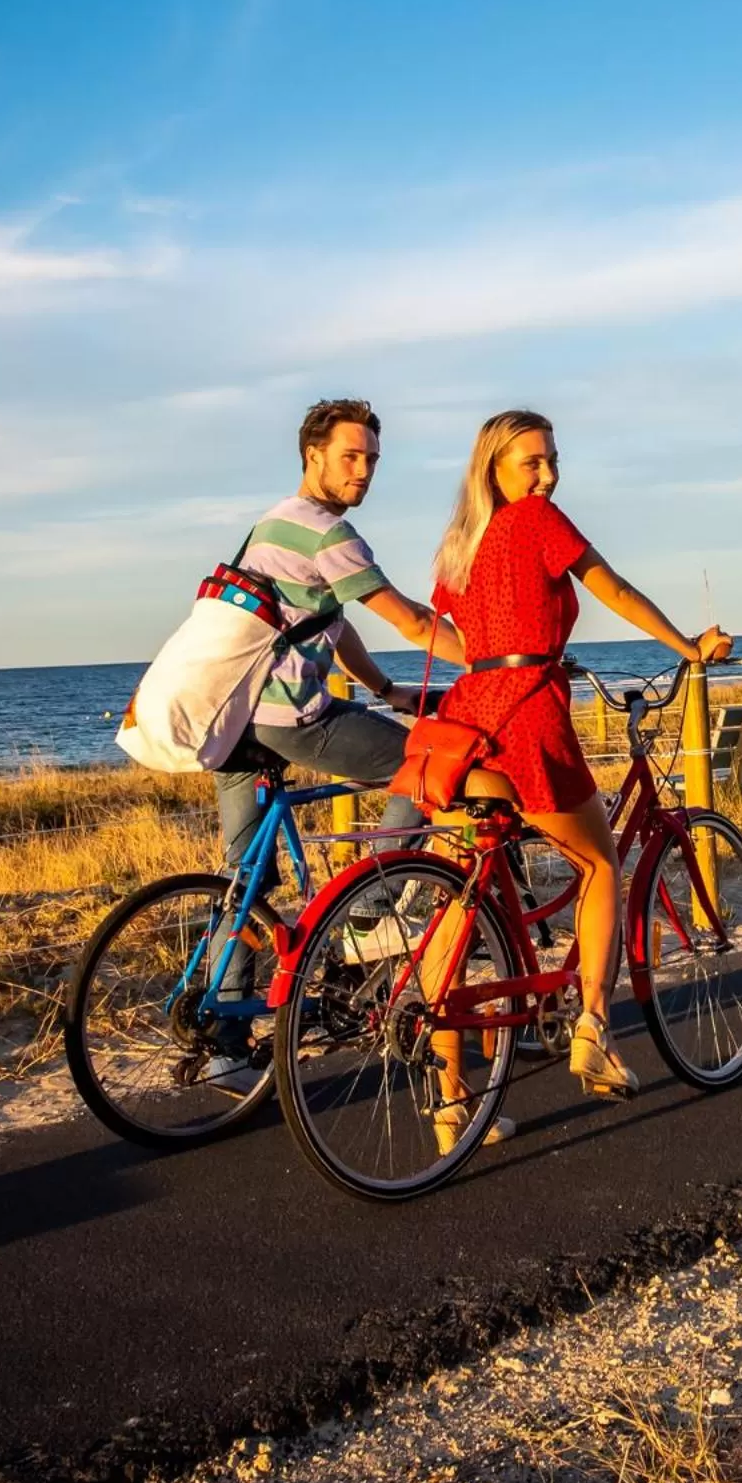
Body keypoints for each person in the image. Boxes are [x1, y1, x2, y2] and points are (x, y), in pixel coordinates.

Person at [425, 409, 729, 1115]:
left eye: (553, 460)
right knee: (598, 865)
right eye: (532, 462)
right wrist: (686, 647)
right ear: (494, 467)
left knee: (456, 890)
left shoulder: (457, 544)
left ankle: (451, 1101)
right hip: (527, 711)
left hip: (467, 715)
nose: (549, 476)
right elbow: (611, 588)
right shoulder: (535, 523)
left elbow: (457, 628)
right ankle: (593, 1024)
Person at [207, 399, 464, 1082]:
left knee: (244, 881)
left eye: (373, 460)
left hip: (231, 718)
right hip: (290, 717)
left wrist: (383, 689)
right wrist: (500, 656)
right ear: (312, 455)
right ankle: (368, 920)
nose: (364, 472)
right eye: (351, 457)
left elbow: (328, 620)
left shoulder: (271, 525)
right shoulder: (328, 532)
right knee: (428, 758)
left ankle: (219, 1040)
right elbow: (409, 619)